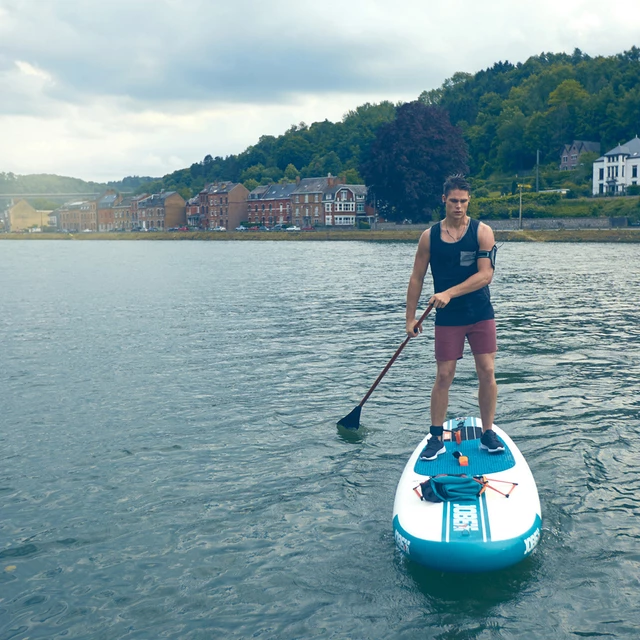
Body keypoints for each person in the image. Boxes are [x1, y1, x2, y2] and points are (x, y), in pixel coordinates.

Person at [405, 174, 503, 461]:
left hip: (480, 314)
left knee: (487, 371)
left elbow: (486, 275)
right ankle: (436, 437)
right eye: (453, 201)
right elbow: (416, 278)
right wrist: (410, 319)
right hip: (449, 319)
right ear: (444, 200)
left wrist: (448, 292)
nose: (458, 206)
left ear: (468, 201)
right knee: (444, 375)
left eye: (463, 201)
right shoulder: (429, 237)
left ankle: (487, 433)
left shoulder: (483, 232)